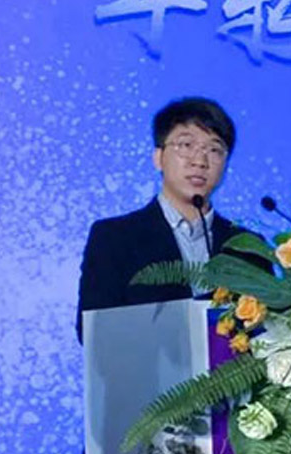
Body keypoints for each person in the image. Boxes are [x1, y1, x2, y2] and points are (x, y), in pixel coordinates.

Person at [77, 96, 259, 341]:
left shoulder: (249, 247)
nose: (199, 161)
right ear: (158, 157)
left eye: (214, 150)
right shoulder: (114, 238)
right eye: (186, 145)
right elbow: (93, 331)